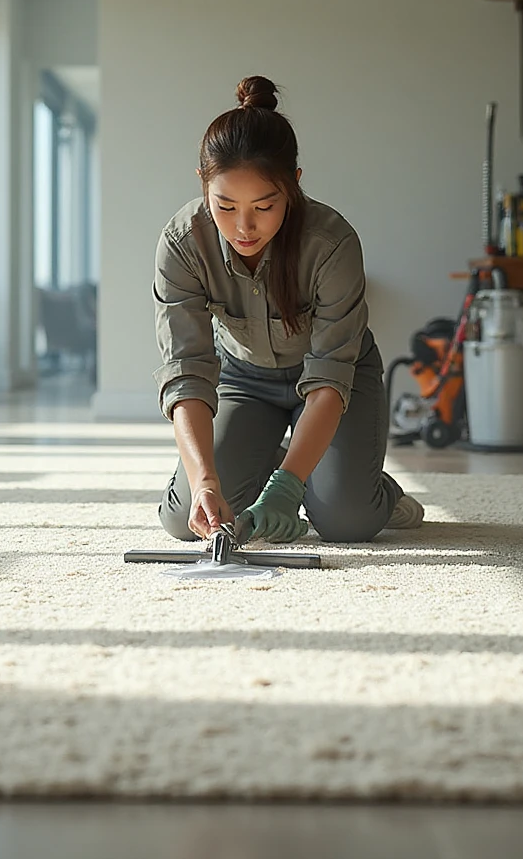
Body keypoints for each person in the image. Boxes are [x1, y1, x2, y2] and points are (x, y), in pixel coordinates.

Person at [153, 75, 424, 545]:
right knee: (186, 520)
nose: (244, 227)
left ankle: (368, 488)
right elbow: (187, 374)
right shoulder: (182, 243)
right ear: (203, 184)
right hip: (245, 380)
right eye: (225, 206)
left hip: (335, 383)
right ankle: (278, 455)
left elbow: (328, 378)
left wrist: (286, 487)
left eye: (264, 205)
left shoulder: (332, 243)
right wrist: (205, 483)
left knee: (347, 521)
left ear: (294, 186)